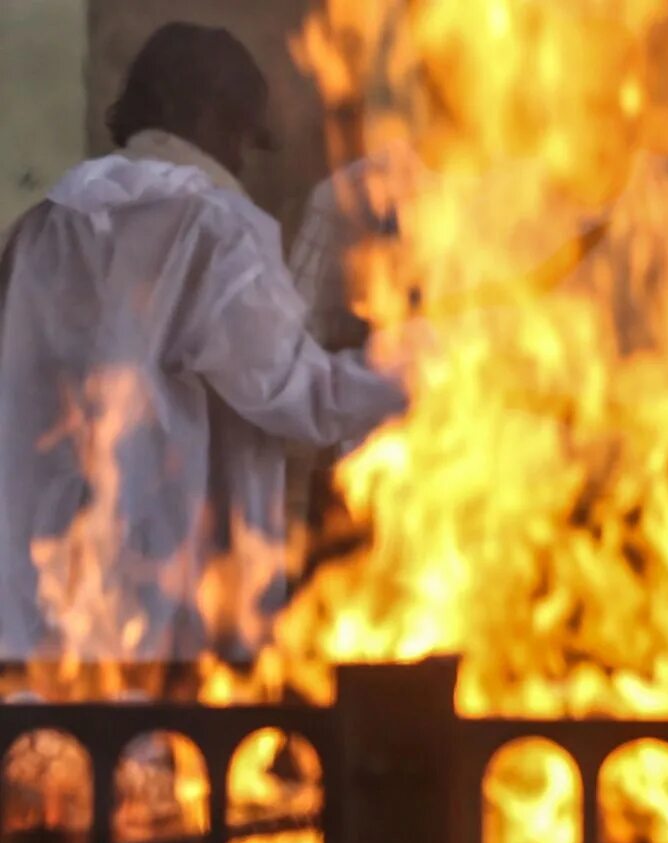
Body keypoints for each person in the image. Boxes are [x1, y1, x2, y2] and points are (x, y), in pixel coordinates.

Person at [0, 23, 408, 662]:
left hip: (29, 635)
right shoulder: (212, 228)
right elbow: (299, 397)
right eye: (241, 136)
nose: (241, 161)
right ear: (207, 115)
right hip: (166, 633)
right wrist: (425, 365)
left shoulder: (38, 230)